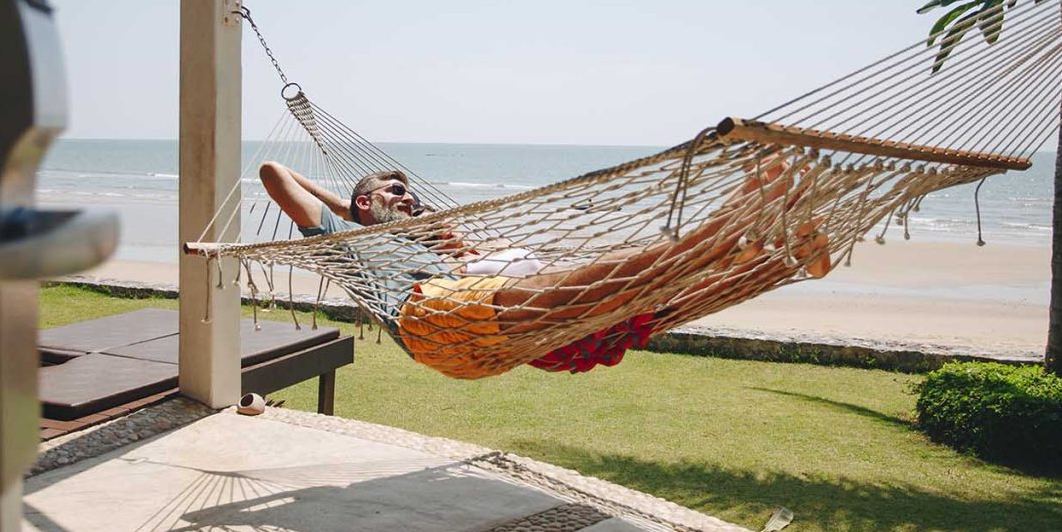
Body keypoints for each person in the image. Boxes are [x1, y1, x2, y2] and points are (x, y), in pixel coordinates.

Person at [257, 157, 830, 378]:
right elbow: (274, 172)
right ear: (362, 203)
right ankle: (730, 224)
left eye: (412, 193)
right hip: (435, 321)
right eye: (395, 190)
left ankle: (773, 261)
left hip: (495, 338)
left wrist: (389, 210)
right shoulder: (340, 241)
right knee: (609, 280)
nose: (410, 199)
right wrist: (355, 212)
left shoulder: (432, 247)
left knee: (637, 309)